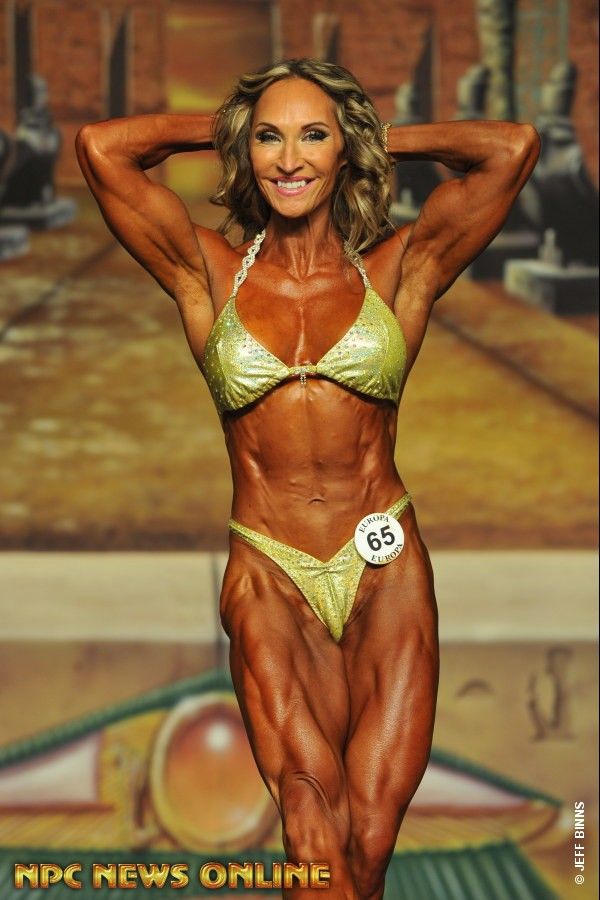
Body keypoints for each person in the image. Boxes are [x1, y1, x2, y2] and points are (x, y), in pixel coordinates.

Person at [76, 57, 540, 899]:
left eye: (312, 137)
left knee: (368, 844)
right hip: (270, 572)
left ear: (343, 150)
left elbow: (510, 148)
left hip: (385, 566)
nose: (289, 160)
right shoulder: (206, 274)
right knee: (311, 832)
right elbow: (103, 148)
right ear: (246, 151)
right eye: (270, 140)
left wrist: (370, 135)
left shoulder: (399, 271)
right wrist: (235, 121)